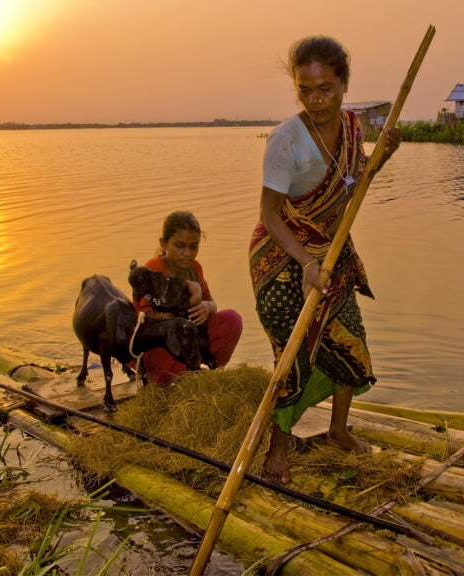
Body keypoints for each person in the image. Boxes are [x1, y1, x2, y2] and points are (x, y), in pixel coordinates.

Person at [248, 35, 401, 484]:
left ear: (345, 84)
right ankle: (278, 447)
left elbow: (352, 186)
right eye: (306, 90)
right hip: (280, 259)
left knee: (350, 342)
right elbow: (269, 215)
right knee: (293, 353)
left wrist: (384, 155)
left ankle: (337, 430)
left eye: (326, 89)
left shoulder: (354, 128)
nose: (316, 100)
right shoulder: (285, 141)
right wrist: (305, 264)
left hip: (331, 253)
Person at [137, 211, 242, 387]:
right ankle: (170, 379)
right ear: (164, 244)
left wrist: (207, 307)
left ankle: (209, 367)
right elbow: (147, 317)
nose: (187, 253)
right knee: (172, 357)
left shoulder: (195, 267)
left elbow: (212, 302)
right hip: (161, 342)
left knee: (232, 320)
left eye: (193, 247)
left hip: (191, 336)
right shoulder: (153, 270)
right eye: (180, 246)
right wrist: (182, 312)